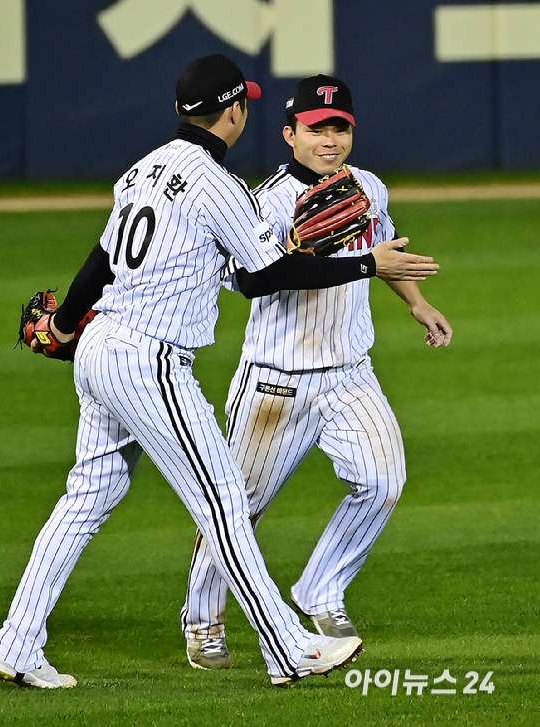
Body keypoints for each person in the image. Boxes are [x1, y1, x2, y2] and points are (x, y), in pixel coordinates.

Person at [0, 58, 440, 689]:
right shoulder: (216, 184)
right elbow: (266, 276)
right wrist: (365, 265)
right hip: (149, 360)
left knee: (85, 501)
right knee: (225, 503)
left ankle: (17, 642)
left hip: (100, 345)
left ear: (179, 111)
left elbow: (102, 257)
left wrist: (63, 325)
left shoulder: (146, 166)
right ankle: (290, 648)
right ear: (235, 114)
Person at [181, 74, 453, 670]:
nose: (329, 139)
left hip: (351, 373)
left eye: (339, 128)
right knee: (235, 511)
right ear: (289, 134)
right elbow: (250, 281)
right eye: (316, 129)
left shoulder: (368, 188)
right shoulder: (264, 201)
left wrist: (417, 303)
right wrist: (338, 261)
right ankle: (203, 622)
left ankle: (319, 591)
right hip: (277, 380)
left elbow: (384, 255)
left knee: (383, 482)